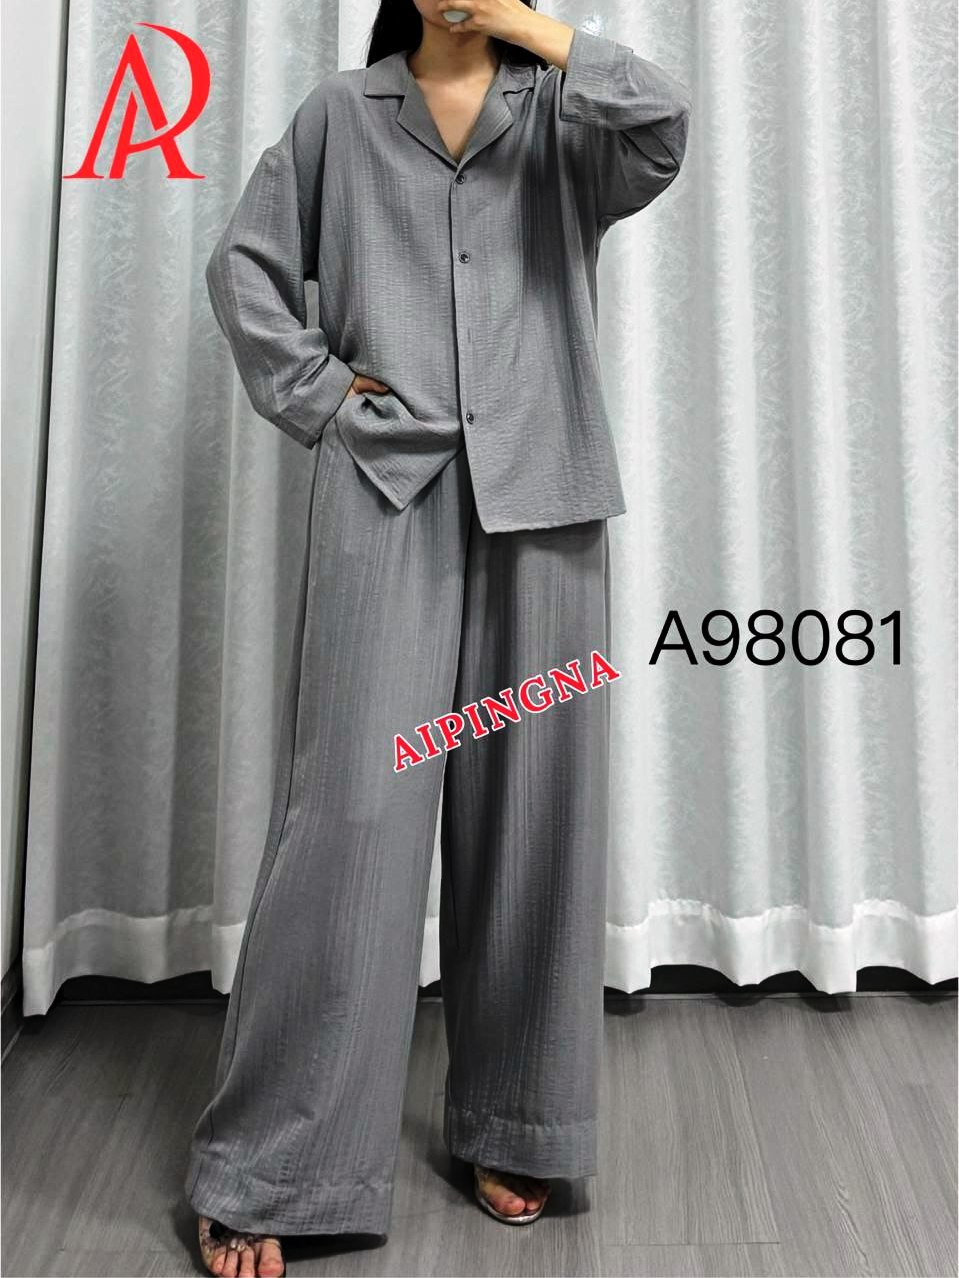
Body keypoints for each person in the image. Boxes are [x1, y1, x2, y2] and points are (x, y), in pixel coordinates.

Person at [185, 0, 691, 1273]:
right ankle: (277, 1165)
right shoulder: (339, 118)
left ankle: (517, 1122)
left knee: (533, 812)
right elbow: (245, 271)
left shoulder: (563, 114)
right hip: (386, 494)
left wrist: (534, 30)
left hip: (547, 505)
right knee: (350, 813)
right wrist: (325, 397)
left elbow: (663, 125)